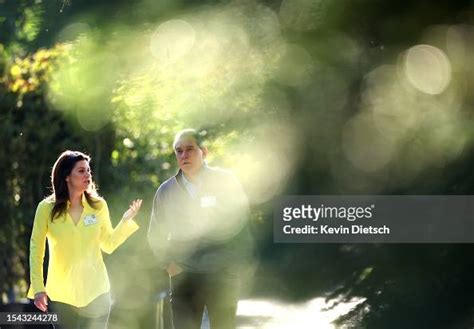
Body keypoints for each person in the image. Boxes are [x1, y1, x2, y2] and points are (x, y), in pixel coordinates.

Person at [148, 129, 253, 329]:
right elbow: (155, 233)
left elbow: (243, 224)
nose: (184, 155)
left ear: (204, 152)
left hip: (221, 276)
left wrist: (233, 265)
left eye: (190, 149)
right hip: (183, 278)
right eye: (179, 151)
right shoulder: (166, 191)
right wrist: (169, 265)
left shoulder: (226, 181)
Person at [28, 150, 142, 329]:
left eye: (88, 170)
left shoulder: (98, 206)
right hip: (61, 296)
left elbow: (108, 244)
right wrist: (38, 288)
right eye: (81, 171)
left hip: (97, 293)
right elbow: (36, 250)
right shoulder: (46, 209)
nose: (88, 174)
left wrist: (125, 221)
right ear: (66, 176)